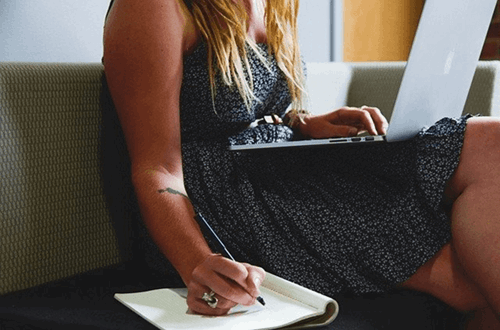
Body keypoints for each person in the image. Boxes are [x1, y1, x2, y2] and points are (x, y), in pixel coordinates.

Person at [103, 0, 500, 327]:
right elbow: (157, 167)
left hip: (277, 166)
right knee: (469, 279)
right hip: (220, 201)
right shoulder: (152, 7)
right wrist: (197, 263)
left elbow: (249, 105)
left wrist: (305, 124)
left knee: (491, 140)